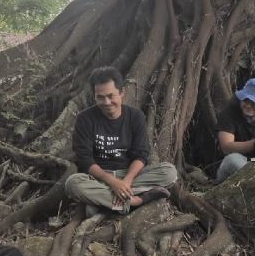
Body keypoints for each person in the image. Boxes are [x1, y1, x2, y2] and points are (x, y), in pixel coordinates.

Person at [66, 66, 177, 214]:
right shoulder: (85, 119)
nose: (106, 102)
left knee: (169, 172)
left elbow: (141, 155)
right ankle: (135, 201)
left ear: (122, 93)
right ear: (94, 96)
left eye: (111, 96)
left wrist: (125, 182)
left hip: (129, 175)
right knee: (72, 183)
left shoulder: (135, 117)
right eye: (100, 97)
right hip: (100, 178)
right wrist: (112, 183)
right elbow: (85, 160)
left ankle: (107, 201)